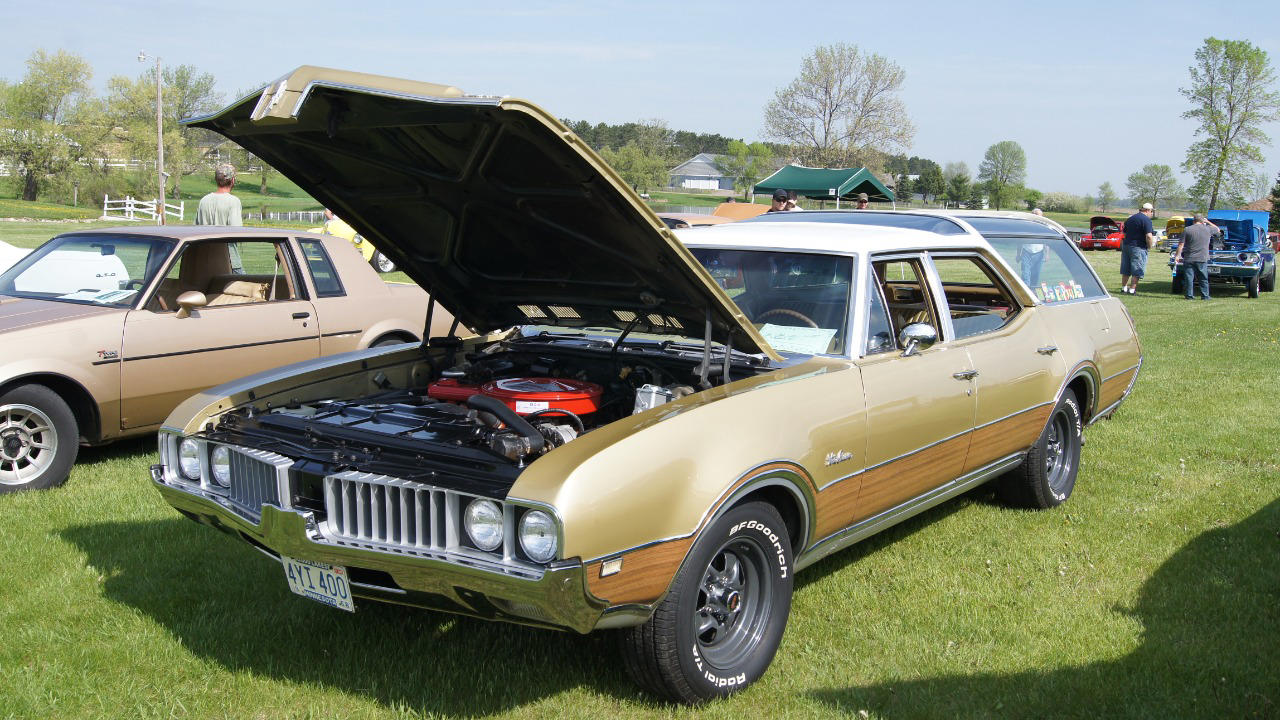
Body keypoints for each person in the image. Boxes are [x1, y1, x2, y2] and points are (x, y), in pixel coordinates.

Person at [1172, 214, 1219, 300]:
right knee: (1203, 278)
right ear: (1202, 221)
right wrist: (1208, 221)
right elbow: (1217, 229)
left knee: (1189, 278)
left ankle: (1189, 295)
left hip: (1189, 258)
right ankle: (1205, 296)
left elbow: (1181, 245)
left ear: (1194, 221)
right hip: (1202, 258)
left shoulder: (1187, 229)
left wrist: (1177, 256)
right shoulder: (1208, 229)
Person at [1119, 202, 1156, 295]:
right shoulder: (1146, 220)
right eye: (1151, 211)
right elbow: (1149, 236)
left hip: (1126, 246)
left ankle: (1124, 288)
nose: (1152, 213)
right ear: (1147, 210)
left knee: (1126, 269)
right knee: (1137, 269)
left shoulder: (1130, 219)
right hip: (1138, 247)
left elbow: (1124, 234)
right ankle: (1132, 290)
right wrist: (1149, 246)